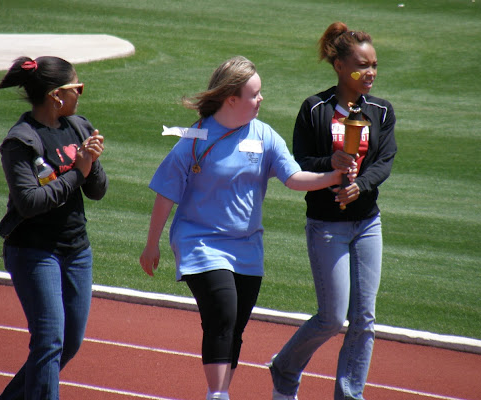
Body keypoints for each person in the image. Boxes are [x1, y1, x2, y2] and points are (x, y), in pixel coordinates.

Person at [140, 56, 350, 400]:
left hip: (247, 247)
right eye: (254, 95)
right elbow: (166, 193)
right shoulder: (195, 137)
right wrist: (152, 245)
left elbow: (294, 178)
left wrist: (333, 177)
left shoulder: (264, 135)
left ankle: (221, 391)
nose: (261, 99)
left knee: (235, 325)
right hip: (200, 243)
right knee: (222, 312)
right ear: (231, 99)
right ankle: (217, 394)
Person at [269, 22, 397, 400]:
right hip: (327, 225)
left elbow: (385, 161)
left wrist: (361, 185)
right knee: (331, 318)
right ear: (340, 66)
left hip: (367, 223)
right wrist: (332, 163)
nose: (370, 72)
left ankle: (349, 395)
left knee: (364, 319)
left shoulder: (381, 111)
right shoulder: (315, 109)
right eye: (362, 65)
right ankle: (285, 367)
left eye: (374, 65)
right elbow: (301, 160)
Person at [0, 56, 108, 400]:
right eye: (77, 88)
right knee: (48, 340)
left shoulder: (79, 127)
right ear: (57, 95)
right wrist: (77, 172)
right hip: (33, 251)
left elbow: (97, 191)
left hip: (76, 250)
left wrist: (92, 162)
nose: (81, 94)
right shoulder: (21, 141)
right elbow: (29, 202)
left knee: (68, 342)